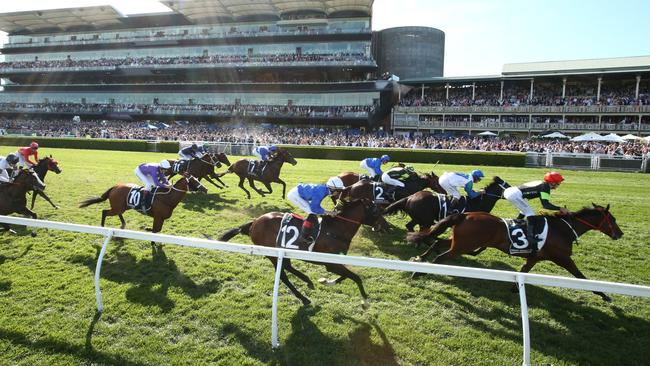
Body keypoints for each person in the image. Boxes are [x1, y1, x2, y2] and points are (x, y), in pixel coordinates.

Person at [503, 171, 570, 255]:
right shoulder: (546, 187)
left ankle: (515, 226)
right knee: (530, 213)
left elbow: (543, 202)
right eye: (558, 183)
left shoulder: (543, 184)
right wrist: (560, 208)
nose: (558, 185)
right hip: (514, 194)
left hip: (511, 191)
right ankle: (531, 238)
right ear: (552, 182)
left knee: (525, 210)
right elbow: (546, 205)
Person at [287, 182, 337, 248]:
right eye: (338, 190)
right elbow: (314, 209)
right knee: (312, 213)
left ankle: (309, 231)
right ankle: (303, 237)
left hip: (300, 192)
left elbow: (316, 205)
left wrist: (326, 212)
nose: (338, 193)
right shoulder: (321, 192)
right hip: (295, 195)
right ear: (333, 189)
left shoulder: (325, 190)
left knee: (313, 213)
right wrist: (329, 212)